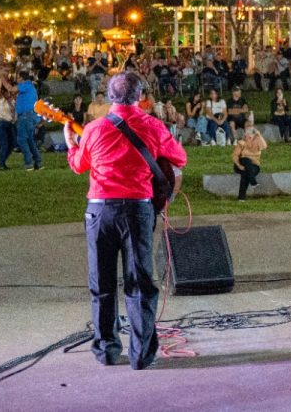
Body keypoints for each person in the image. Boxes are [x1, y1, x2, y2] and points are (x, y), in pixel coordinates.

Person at [63, 71, 187, 370]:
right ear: (140, 95)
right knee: (140, 283)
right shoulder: (153, 126)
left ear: (108, 96)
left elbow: (79, 166)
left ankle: (106, 350)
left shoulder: (93, 129)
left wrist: (71, 144)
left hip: (100, 211)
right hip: (136, 209)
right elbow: (179, 157)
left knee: (102, 283)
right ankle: (141, 355)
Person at [232, 120, 268, 201]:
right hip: (240, 164)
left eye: (250, 126)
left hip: (254, 165)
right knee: (245, 159)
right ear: (245, 130)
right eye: (247, 126)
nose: (249, 128)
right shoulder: (241, 142)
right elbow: (235, 156)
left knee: (245, 173)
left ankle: (241, 198)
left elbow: (264, 147)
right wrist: (239, 165)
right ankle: (253, 182)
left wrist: (259, 135)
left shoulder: (257, 139)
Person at [15, 71, 43, 171]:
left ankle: (28, 163)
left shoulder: (26, 84)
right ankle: (38, 162)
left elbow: (11, 89)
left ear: (21, 78)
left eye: (17, 78)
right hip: (30, 116)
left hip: (26, 116)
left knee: (22, 139)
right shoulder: (30, 86)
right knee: (30, 140)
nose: (16, 80)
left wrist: (1, 77)